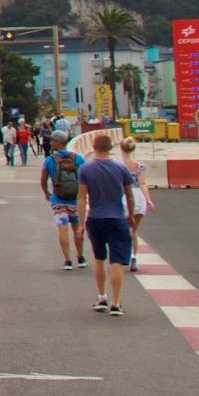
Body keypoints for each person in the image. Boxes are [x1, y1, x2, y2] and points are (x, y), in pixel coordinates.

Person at [77, 131, 139, 315]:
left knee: (99, 258)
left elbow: (81, 197)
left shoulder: (85, 169)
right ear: (111, 148)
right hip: (117, 217)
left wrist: (81, 224)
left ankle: (101, 296)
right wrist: (131, 214)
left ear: (94, 147)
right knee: (117, 261)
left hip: (95, 218)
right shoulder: (121, 168)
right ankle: (116, 302)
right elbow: (129, 195)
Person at [40, 130, 87, 270]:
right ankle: (81, 257)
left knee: (62, 228)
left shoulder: (49, 160)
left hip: (58, 199)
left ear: (58, 142)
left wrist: (46, 193)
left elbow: (43, 181)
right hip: (76, 199)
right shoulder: (79, 159)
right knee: (77, 228)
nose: (50, 142)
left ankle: (67, 261)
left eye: (52, 140)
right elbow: (85, 179)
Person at [118, 136, 155, 272]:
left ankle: (122, 256)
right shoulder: (140, 165)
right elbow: (142, 183)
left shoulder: (117, 164)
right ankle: (134, 257)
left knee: (120, 229)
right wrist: (148, 200)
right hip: (138, 197)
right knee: (134, 230)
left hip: (122, 197)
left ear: (121, 148)